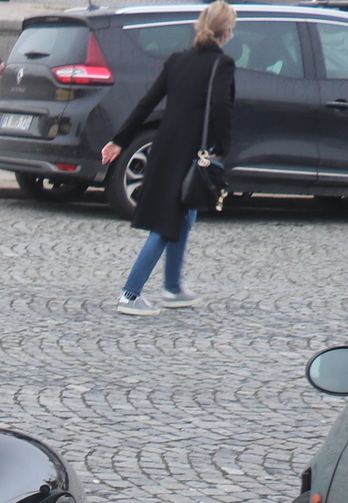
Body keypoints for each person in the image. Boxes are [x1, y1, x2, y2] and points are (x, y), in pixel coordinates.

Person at [100, 1, 235, 314]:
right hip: (191, 153)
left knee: (184, 216)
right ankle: (130, 294)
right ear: (227, 32)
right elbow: (221, 108)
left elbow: (147, 103)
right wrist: (222, 148)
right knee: (166, 224)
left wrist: (120, 141)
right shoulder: (221, 64)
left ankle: (173, 287)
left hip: (164, 147)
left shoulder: (178, 60)